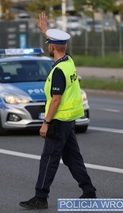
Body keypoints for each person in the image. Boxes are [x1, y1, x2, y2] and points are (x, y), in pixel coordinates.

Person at [19, 12, 97, 210]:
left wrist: (46, 122)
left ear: (52, 47)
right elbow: (59, 46)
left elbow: (56, 100)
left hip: (58, 121)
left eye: (49, 44)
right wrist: (45, 31)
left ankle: (40, 197)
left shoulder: (58, 72)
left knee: (48, 160)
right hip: (69, 119)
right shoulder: (69, 62)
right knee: (72, 158)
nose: (48, 46)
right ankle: (89, 191)